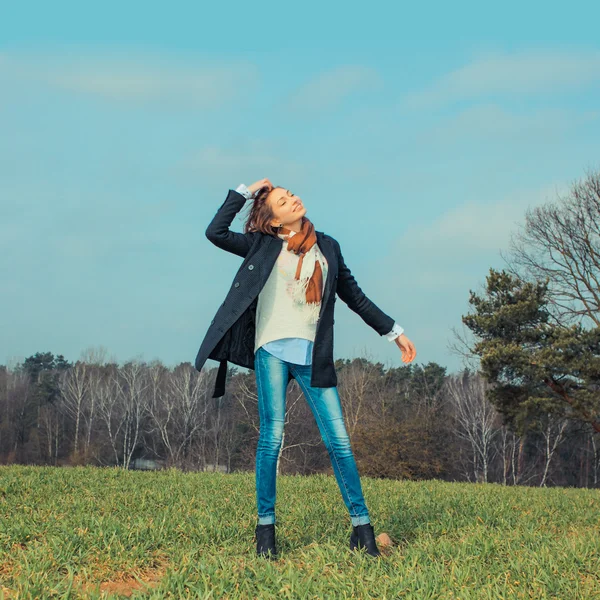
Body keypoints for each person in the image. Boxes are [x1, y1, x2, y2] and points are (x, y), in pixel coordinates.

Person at [205, 178, 416, 559]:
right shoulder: (261, 245)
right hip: (271, 352)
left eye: (291, 195)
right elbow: (215, 232)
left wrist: (394, 331)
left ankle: (362, 529)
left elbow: (355, 296)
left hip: (312, 356)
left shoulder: (327, 247)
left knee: (339, 442)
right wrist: (247, 191)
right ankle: (265, 532)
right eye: (284, 201)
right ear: (272, 221)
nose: (293, 200)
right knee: (272, 440)